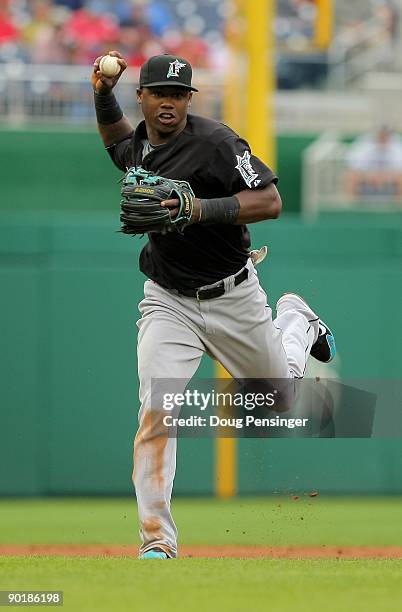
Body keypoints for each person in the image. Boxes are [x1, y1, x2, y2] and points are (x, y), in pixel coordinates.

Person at [91, 51, 336, 559]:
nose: (170, 103)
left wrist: (198, 207)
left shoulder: (217, 142)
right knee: (157, 411)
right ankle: (157, 540)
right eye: (160, 92)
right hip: (168, 302)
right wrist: (99, 94)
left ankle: (295, 321)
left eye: (179, 94)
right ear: (142, 97)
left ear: (188, 101)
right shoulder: (142, 145)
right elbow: (118, 144)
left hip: (233, 296)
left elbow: (270, 202)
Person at [345, 125, 402, 199]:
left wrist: (385, 176)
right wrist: (371, 176)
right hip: (367, 177)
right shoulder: (364, 144)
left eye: (385, 134)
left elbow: (399, 168)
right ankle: (350, 206)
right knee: (351, 176)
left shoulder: (397, 145)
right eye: (381, 134)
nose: (383, 137)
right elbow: (354, 166)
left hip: (391, 177)